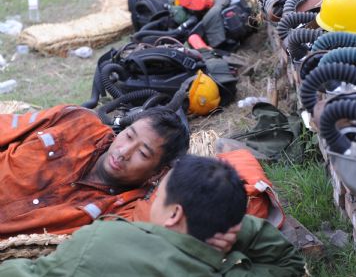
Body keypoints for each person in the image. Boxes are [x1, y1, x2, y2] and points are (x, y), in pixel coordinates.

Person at [0, 155, 306, 276]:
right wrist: (230, 227)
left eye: (158, 192)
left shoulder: (101, 241)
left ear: (174, 214)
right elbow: (288, 263)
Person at [0, 104, 189, 238]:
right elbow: (6, 126)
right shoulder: (76, 120)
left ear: (157, 173)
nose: (123, 152)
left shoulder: (124, 208)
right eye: (129, 135)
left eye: (142, 153)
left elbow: (162, 233)